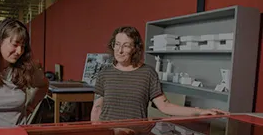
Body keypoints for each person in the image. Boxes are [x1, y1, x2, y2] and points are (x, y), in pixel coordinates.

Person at [90, 26, 227, 122]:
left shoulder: (148, 73)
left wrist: (200, 111)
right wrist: (95, 134)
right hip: (108, 134)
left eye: (126, 45)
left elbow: (165, 106)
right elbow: (97, 108)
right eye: (117, 44)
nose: (119, 50)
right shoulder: (105, 73)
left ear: (134, 49)